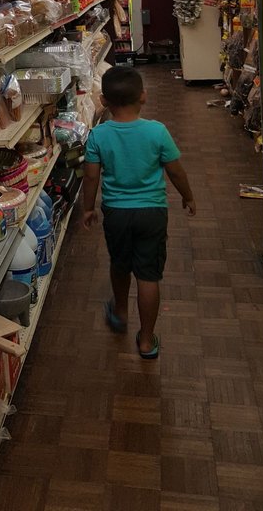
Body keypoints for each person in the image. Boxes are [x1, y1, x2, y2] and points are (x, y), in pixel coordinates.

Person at [83, 66, 196, 359]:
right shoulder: (157, 131)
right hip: (152, 212)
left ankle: (120, 312)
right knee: (148, 275)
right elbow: (176, 171)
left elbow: (91, 176)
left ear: (103, 101)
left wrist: (88, 208)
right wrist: (188, 196)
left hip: (116, 213)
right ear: (143, 96)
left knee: (120, 264)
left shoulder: (98, 135)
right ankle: (146, 340)